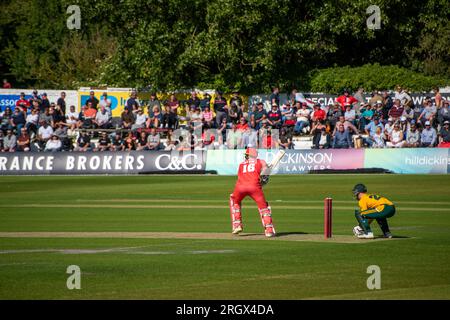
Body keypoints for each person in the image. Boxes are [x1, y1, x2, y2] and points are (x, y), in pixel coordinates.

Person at [229, 148, 276, 237]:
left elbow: (240, 176)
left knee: (234, 201)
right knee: (263, 207)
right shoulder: (261, 161)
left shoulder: (241, 164)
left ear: (248, 155)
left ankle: (237, 225)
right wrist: (266, 173)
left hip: (240, 187)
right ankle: (269, 230)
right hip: (254, 187)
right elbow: (264, 177)